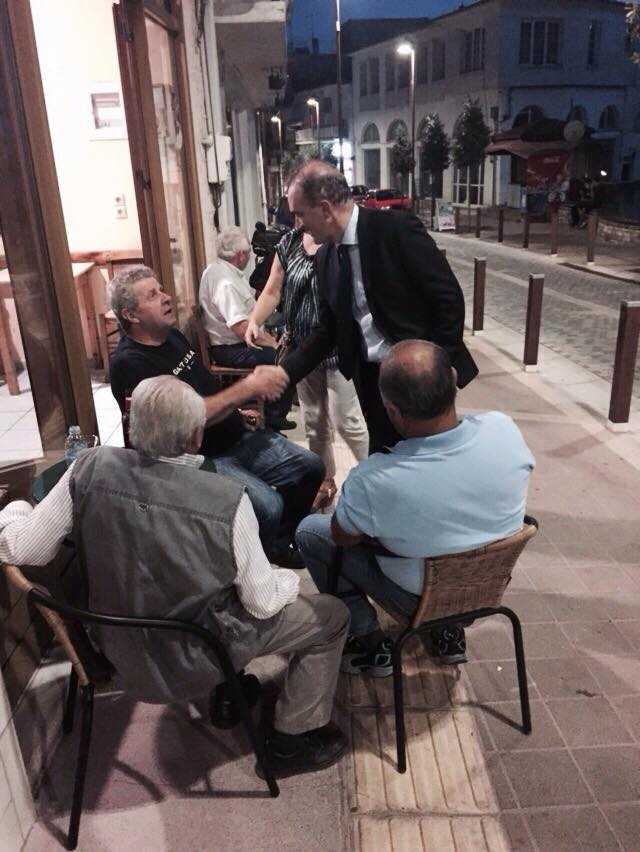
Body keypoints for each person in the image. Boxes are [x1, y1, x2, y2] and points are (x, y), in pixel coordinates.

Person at [0, 376, 350, 778]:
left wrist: (17, 507)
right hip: (199, 657)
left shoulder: (87, 468)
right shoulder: (228, 502)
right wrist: (284, 579)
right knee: (331, 616)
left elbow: (20, 549)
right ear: (197, 437)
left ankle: (233, 692)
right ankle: (291, 740)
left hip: (113, 649)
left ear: (131, 424)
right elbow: (263, 603)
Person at [296, 340, 535, 670]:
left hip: (418, 600)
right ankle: (447, 632)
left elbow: (341, 536)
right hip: (487, 589)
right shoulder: (504, 429)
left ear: (392, 410)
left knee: (310, 531)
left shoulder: (374, 479)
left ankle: (368, 641)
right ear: (453, 379)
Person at [108, 265, 324, 567]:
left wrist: (235, 410)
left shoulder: (172, 337)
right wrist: (248, 387)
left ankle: (275, 544)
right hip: (198, 457)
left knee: (311, 467)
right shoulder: (130, 363)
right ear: (131, 314)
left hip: (231, 433)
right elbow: (181, 421)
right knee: (269, 506)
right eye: (153, 295)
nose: (166, 297)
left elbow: (203, 388)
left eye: (162, 290)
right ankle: (249, 568)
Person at [272, 161, 479, 455]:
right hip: (371, 381)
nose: (298, 224)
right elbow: (328, 329)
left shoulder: (395, 229)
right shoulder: (326, 257)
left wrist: (437, 367)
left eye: (300, 213)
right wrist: (284, 373)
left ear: (325, 209)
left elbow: (448, 300)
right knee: (384, 456)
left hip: (418, 377)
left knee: (430, 459)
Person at [246, 223, 369, 509]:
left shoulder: (338, 241)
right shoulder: (289, 243)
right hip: (302, 350)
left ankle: (373, 476)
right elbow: (272, 290)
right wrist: (254, 320)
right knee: (314, 421)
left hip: (337, 348)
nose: (298, 217)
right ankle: (324, 481)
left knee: (347, 420)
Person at [199, 226, 294, 430]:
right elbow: (243, 329)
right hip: (230, 349)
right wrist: (276, 345)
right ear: (240, 255)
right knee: (284, 359)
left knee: (285, 349)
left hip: (238, 343)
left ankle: (276, 414)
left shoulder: (227, 271)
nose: (250, 256)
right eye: (248, 253)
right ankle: (273, 419)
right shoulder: (224, 282)